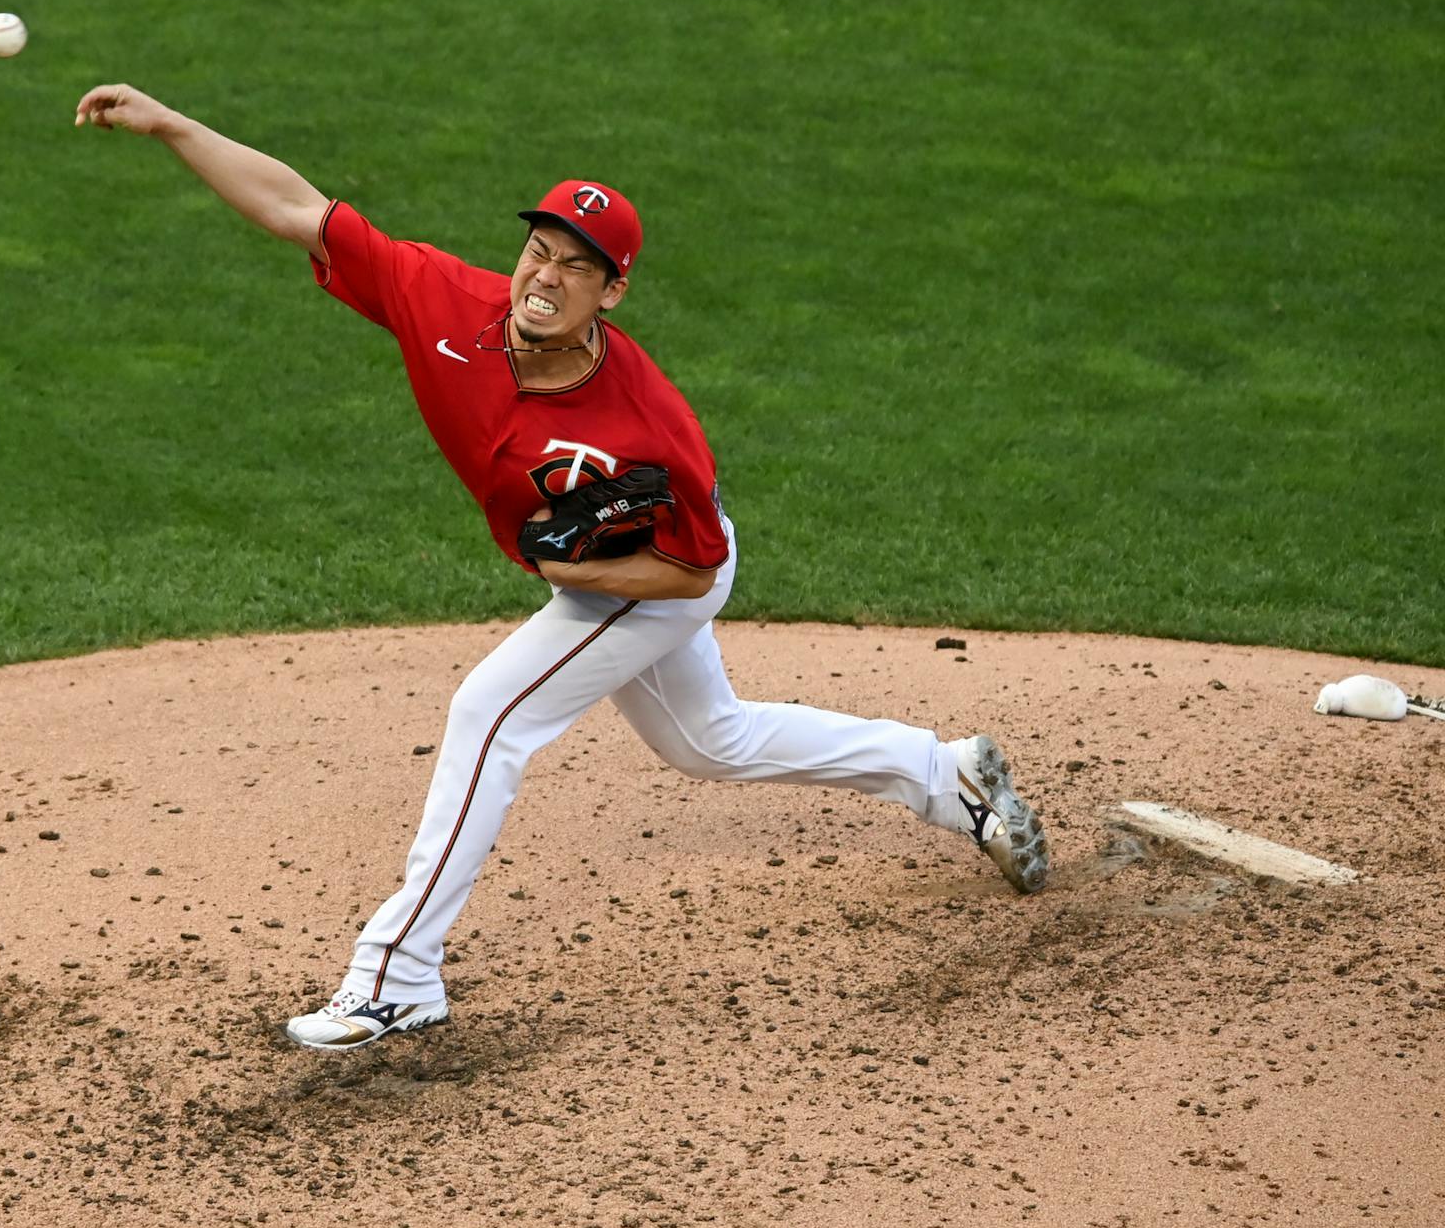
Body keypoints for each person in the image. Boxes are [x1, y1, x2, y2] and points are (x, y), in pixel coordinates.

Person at [72, 84, 1050, 1052]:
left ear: (610, 292)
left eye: (577, 268)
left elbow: (694, 572)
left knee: (488, 713)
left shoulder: (650, 427)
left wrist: (581, 572)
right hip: (602, 575)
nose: (545, 275)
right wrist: (171, 125)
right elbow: (300, 210)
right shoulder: (444, 301)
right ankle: (946, 774)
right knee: (710, 742)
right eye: (539, 250)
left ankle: (398, 976)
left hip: (658, 575)